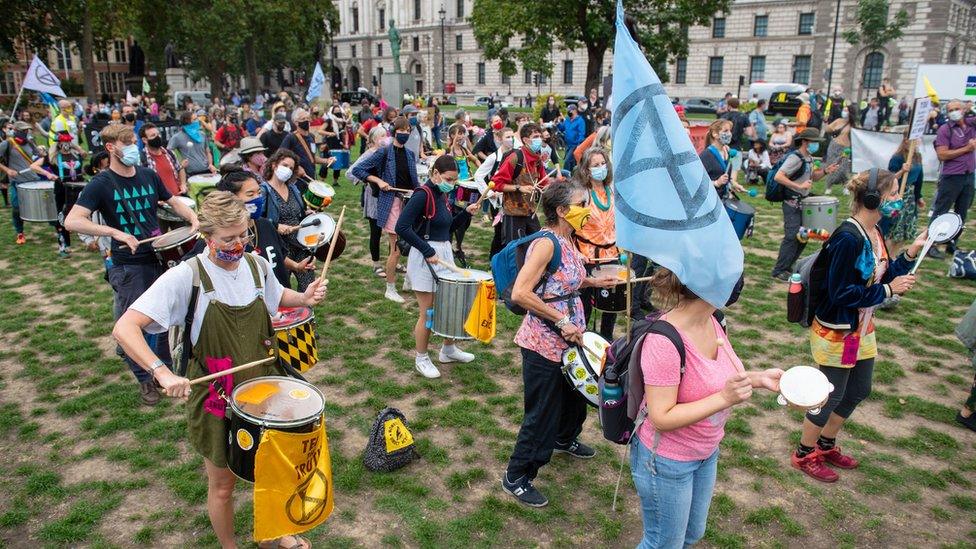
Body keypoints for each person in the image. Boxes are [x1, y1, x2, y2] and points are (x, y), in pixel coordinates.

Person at [113, 191, 326, 549]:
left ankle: (275, 533)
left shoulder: (257, 265)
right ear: (206, 237)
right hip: (218, 395)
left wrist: (304, 297)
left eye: (243, 234)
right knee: (224, 485)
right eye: (229, 238)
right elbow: (125, 327)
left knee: (272, 468)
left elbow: (276, 298)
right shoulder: (187, 277)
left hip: (264, 385)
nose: (239, 243)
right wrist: (161, 373)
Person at [630, 267, 783, 548]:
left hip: (705, 451)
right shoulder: (663, 341)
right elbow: (660, 417)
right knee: (662, 543)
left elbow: (719, 378)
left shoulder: (712, 320)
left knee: (691, 534)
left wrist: (759, 379)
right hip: (666, 460)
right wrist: (725, 399)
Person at [791, 169, 925, 482]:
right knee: (830, 395)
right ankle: (803, 453)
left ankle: (826, 444)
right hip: (838, 328)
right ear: (873, 199)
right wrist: (889, 292)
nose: (897, 199)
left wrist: (911, 252)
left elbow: (883, 274)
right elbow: (840, 294)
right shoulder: (848, 238)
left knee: (859, 390)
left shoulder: (874, 232)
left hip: (862, 327)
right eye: (892, 193)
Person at [501, 183, 617, 507]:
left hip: (569, 342)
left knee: (574, 402)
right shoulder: (545, 243)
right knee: (542, 414)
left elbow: (566, 280)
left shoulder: (568, 239)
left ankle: (566, 439)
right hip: (543, 343)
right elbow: (521, 293)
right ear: (563, 211)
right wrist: (563, 321)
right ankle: (517, 476)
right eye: (582, 204)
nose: (588, 208)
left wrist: (594, 281)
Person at [65, 124, 198, 405]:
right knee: (131, 326)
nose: (132, 147)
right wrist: (115, 233)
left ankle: (164, 374)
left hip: (156, 258)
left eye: (133, 141)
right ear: (111, 147)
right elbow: (72, 220)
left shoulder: (148, 175)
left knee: (159, 321)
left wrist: (192, 217)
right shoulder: (101, 183)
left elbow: (173, 200)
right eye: (126, 142)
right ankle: (144, 380)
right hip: (127, 265)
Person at [395, 155, 477, 378]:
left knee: (450, 303)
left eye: (454, 180)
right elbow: (402, 226)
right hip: (425, 257)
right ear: (435, 174)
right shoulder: (423, 194)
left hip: (443, 252)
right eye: (448, 179)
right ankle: (421, 358)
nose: (451, 184)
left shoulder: (443, 194)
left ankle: (448, 350)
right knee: (428, 312)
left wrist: (465, 214)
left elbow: (447, 227)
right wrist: (426, 249)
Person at [184, 170, 313, 287]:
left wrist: (296, 266)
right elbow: (191, 268)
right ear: (232, 198)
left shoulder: (266, 225)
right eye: (250, 194)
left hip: (282, 301)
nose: (258, 198)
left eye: (259, 192)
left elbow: (278, 255)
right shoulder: (217, 238)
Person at [350, 116, 421, 304]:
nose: (405, 133)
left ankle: (408, 281)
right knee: (396, 250)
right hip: (391, 205)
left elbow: (414, 181)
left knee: (413, 245)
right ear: (394, 131)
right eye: (402, 130)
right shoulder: (384, 152)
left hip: (408, 203)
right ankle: (390, 288)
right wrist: (378, 180)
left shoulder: (410, 154)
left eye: (408, 130)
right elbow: (358, 170)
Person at [770, 128, 839, 280]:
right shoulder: (795, 158)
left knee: (803, 237)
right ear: (805, 141)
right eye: (814, 142)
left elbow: (812, 176)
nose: (816, 145)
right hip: (791, 204)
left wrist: (826, 171)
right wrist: (799, 187)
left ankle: (788, 267)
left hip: (803, 204)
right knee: (792, 236)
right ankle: (779, 270)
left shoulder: (809, 158)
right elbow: (778, 176)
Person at [574, 148, 619, 340]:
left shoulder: (613, 191)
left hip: (612, 256)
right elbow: (568, 227)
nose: (601, 168)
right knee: (585, 304)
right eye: (595, 165)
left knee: (613, 303)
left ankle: (607, 341)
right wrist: (575, 253)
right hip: (587, 256)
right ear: (586, 169)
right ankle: (582, 341)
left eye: (603, 164)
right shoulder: (581, 195)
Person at [260, 149, 316, 292]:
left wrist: (307, 213)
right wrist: (276, 226)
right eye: (285, 165)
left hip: (301, 243)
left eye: (291, 168)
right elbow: (258, 219)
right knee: (281, 289)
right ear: (273, 165)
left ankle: (307, 313)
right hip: (280, 247)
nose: (288, 170)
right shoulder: (264, 190)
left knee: (308, 287)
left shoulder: (293, 188)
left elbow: (299, 212)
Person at [928, 100, 976, 259]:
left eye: (957, 109)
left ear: (963, 110)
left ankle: (952, 241)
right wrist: (966, 149)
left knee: (962, 211)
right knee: (941, 210)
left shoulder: (970, 124)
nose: (954, 112)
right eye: (950, 110)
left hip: (969, 175)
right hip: (952, 175)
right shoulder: (945, 129)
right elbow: (942, 154)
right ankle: (931, 243)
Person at [490, 123, 549, 249]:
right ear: (525, 140)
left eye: (540, 136)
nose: (539, 139)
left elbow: (544, 182)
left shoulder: (536, 158)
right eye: (535, 136)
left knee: (537, 246)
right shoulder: (515, 157)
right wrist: (519, 188)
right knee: (514, 251)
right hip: (513, 213)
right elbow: (496, 184)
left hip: (530, 211)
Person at [0, 121, 58, 244]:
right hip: (17, 181)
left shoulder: (30, 142)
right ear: (16, 131)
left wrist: (44, 155)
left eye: (27, 130)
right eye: (23, 131)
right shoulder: (7, 144)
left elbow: (40, 156)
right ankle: (20, 233)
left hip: (34, 179)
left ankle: (57, 227)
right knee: (16, 207)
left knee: (48, 203)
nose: (26, 133)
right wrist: (8, 170)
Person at [349, 125, 392, 278]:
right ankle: (376, 264)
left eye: (385, 136)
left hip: (388, 194)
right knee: (376, 231)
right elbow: (350, 173)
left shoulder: (388, 151)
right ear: (373, 139)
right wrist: (368, 181)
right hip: (374, 197)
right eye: (381, 136)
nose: (384, 139)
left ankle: (393, 261)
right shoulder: (369, 154)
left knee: (392, 230)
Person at [444, 125, 481, 266]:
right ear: (452, 136)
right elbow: (450, 156)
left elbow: (475, 159)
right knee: (455, 217)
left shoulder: (465, 150)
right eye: (458, 133)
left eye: (463, 133)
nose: (461, 136)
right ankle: (450, 245)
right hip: (455, 189)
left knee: (466, 219)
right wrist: (453, 144)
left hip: (468, 187)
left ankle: (458, 245)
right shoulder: (450, 150)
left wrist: (479, 169)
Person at [280, 108, 335, 193]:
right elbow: (280, 157)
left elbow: (311, 157)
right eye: (303, 119)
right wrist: (296, 168)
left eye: (307, 118)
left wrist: (326, 160)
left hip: (310, 178)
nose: (306, 121)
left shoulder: (311, 136)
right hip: (296, 181)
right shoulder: (291, 137)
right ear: (296, 122)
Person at [886, 133, 924, 247]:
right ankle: (886, 257)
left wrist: (918, 196)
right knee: (893, 230)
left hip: (910, 198)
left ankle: (893, 257)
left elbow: (919, 179)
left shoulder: (917, 156)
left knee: (905, 232)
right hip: (898, 194)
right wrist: (902, 171)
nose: (916, 141)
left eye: (917, 139)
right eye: (913, 139)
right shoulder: (897, 158)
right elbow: (889, 179)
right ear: (906, 140)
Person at [698, 119, 747, 200]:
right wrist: (716, 183)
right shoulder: (706, 155)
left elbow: (726, 176)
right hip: (710, 200)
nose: (729, 134)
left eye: (730, 131)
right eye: (726, 131)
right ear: (715, 134)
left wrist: (734, 184)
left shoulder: (728, 152)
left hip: (723, 199)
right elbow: (698, 181)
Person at [140, 122, 186, 197]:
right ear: (145, 140)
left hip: (178, 198)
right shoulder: (142, 158)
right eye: (153, 135)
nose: (157, 137)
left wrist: (183, 184)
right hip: (159, 204)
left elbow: (180, 169)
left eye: (158, 134)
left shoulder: (169, 153)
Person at [169, 111, 217, 177]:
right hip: (190, 174)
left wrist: (211, 164)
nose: (198, 121)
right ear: (187, 121)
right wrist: (179, 164)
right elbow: (167, 153)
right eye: (195, 119)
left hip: (207, 171)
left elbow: (208, 152)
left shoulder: (202, 134)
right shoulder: (177, 137)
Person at [823, 103, 857, 195]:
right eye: (844, 110)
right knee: (831, 166)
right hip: (834, 146)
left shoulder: (853, 125)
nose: (844, 112)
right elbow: (828, 129)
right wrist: (827, 123)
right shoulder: (838, 121)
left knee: (843, 168)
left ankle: (846, 186)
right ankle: (829, 187)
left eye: (846, 110)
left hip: (845, 148)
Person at [321, 104, 349, 186]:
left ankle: (335, 181)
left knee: (338, 163)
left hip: (338, 144)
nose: (337, 112)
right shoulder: (329, 121)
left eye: (339, 111)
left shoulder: (343, 122)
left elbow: (345, 132)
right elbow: (320, 131)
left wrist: (345, 143)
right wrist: (330, 133)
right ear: (332, 112)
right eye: (335, 111)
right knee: (326, 163)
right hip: (329, 144)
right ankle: (322, 181)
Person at [557, 106, 586, 173]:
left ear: (575, 111)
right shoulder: (567, 119)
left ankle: (565, 175)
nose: (568, 112)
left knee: (567, 161)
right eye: (568, 110)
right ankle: (572, 176)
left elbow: (581, 133)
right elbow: (562, 128)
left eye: (570, 110)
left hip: (575, 145)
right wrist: (558, 124)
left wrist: (579, 145)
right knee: (572, 162)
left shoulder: (580, 121)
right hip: (568, 144)